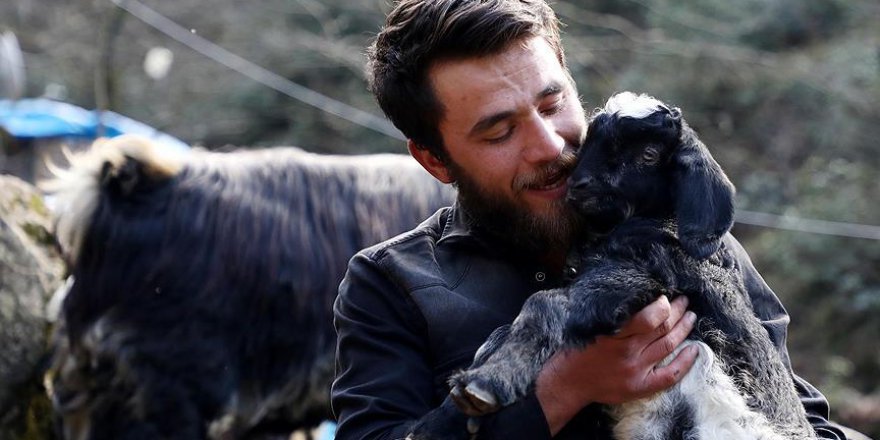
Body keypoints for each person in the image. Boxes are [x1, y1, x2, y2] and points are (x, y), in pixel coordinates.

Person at [331, 0, 847, 438]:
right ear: (434, 160)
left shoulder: (690, 236)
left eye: (553, 104)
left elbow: (805, 418)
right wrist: (563, 388)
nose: (549, 146)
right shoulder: (390, 285)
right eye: (499, 133)